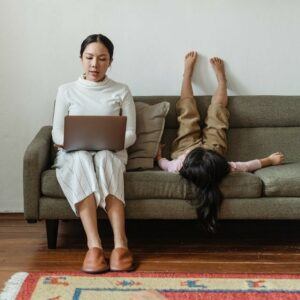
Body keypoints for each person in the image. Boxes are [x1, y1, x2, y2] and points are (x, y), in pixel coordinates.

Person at [156, 52, 284, 233]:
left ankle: (187, 75)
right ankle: (222, 81)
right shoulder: (222, 166)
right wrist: (269, 160)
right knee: (217, 115)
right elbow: (247, 166)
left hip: (185, 149)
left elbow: (165, 165)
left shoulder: (179, 165)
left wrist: (158, 155)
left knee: (186, 113)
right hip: (213, 150)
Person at [52, 34, 136, 273]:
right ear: (81, 59)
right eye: (89, 58)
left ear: (110, 61)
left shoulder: (122, 90)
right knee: (79, 160)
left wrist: (111, 143)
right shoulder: (66, 90)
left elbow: (131, 133)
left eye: (102, 59)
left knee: (106, 159)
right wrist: (74, 143)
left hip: (111, 151)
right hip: (74, 153)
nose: (94, 64)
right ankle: (94, 246)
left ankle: (121, 245)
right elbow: (57, 134)